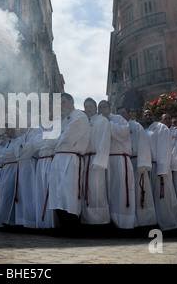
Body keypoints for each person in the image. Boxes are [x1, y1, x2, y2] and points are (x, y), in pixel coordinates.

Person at [47, 93, 90, 235]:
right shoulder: (65, 120)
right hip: (59, 158)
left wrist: (60, 136)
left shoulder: (79, 116)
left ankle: (72, 226)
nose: (61, 106)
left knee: (69, 191)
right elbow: (55, 139)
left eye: (63, 102)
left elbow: (67, 137)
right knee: (57, 192)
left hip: (71, 158)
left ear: (71, 101)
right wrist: (60, 135)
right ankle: (63, 225)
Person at [142, 109, 177, 231]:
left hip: (160, 167)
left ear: (154, 116)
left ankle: (170, 225)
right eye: (145, 115)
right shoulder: (144, 130)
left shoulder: (161, 128)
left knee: (163, 197)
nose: (148, 116)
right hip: (148, 166)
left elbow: (166, 148)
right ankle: (154, 223)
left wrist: (162, 169)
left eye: (150, 114)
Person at [98, 100, 135, 229]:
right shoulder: (99, 121)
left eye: (104, 106)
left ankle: (125, 223)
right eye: (100, 107)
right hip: (107, 161)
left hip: (120, 159)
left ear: (109, 107)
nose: (102, 109)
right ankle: (111, 221)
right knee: (109, 191)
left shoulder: (118, 119)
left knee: (121, 190)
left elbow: (123, 133)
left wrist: (109, 123)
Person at [118, 106, 156, 228]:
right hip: (125, 161)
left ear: (129, 114)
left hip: (137, 161)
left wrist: (142, 164)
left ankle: (145, 222)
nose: (121, 116)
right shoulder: (118, 127)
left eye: (123, 113)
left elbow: (143, 145)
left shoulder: (135, 126)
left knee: (140, 191)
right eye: (118, 114)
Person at [80, 98, 111, 226]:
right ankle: (86, 221)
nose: (88, 109)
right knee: (85, 190)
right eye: (86, 107)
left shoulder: (102, 121)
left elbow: (105, 141)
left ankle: (100, 222)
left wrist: (99, 160)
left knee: (97, 190)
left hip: (96, 160)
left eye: (90, 106)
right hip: (85, 159)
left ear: (95, 108)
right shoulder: (83, 122)